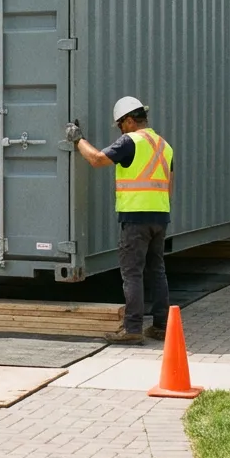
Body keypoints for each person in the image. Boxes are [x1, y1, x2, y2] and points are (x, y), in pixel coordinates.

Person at [65, 96, 174, 345]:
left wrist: (78, 139)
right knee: (157, 271)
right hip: (160, 216)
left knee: (132, 273)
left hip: (135, 219)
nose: (119, 130)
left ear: (129, 120)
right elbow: (170, 185)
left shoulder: (131, 141)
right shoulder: (164, 146)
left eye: (120, 124)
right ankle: (161, 326)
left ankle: (133, 329)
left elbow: (97, 160)